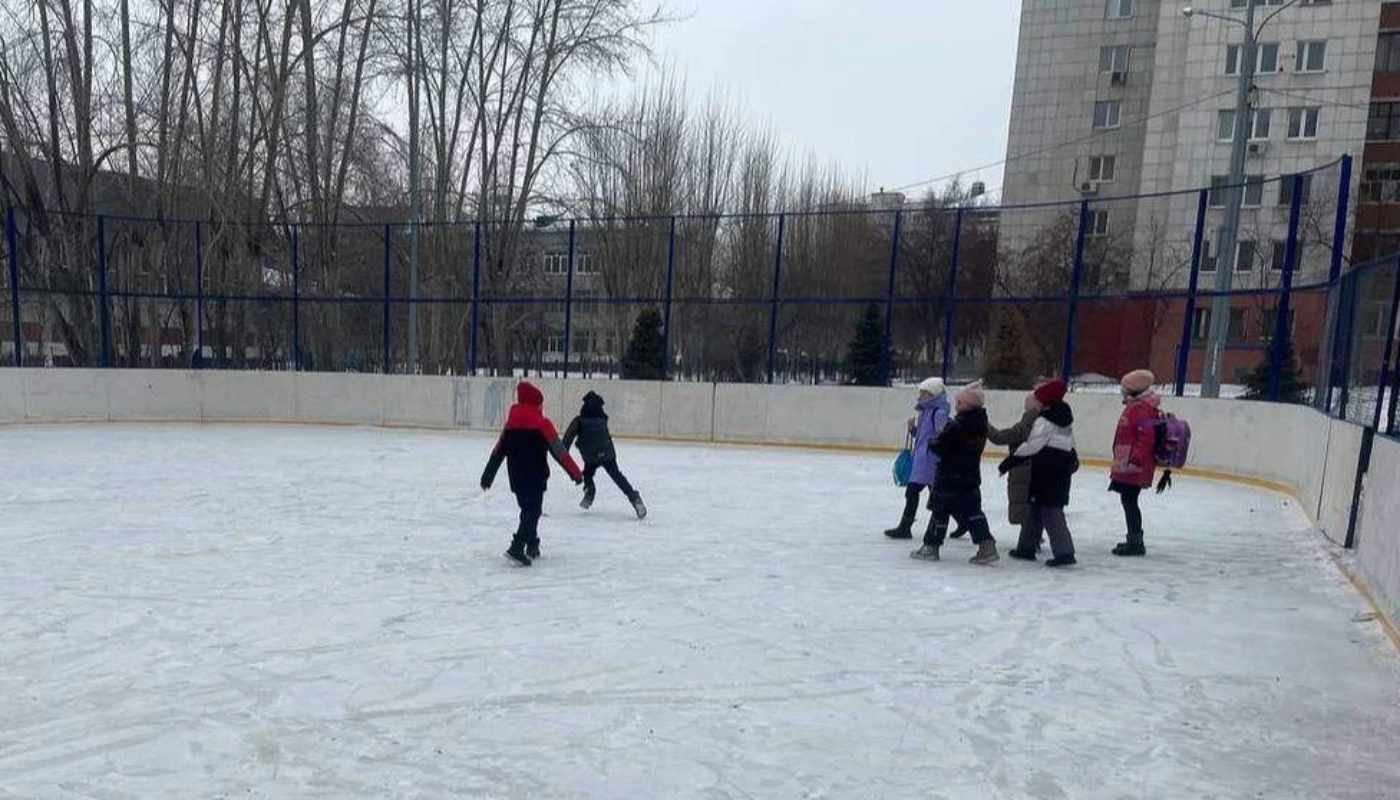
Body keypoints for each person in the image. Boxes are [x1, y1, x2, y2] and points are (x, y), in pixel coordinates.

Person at [480, 381, 584, 566]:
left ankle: (532, 544)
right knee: (532, 511)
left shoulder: (510, 426)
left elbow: (498, 452)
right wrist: (575, 473)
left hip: (516, 477)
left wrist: (488, 475)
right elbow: (559, 452)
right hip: (536, 476)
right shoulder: (542, 424)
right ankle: (517, 546)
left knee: (528, 510)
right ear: (536, 404)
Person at [911, 382, 1000, 565]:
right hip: (970, 474)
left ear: (967, 405)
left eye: (959, 403)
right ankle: (987, 544)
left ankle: (930, 546)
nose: (956, 406)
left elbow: (941, 446)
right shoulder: (981, 424)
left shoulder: (957, 425)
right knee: (972, 511)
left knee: (940, 511)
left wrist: (932, 443)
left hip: (950, 475)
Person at [1001, 379, 1079, 567]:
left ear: (1044, 401)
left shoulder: (1045, 420)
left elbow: (1033, 445)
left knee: (1052, 513)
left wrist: (1011, 459)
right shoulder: (1062, 418)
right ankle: (1026, 548)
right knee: (1035, 511)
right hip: (1057, 470)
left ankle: (1065, 553)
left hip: (1046, 471)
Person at [563, 391, 647, 520]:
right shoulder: (603, 420)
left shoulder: (579, 421)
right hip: (607, 453)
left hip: (590, 455)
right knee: (617, 476)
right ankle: (635, 499)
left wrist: (564, 454)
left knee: (587, 474)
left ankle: (590, 492)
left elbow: (568, 438)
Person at [884, 378, 950, 540]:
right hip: (922, 461)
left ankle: (905, 527)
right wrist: (913, 430)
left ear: (932, 395)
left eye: (923, 393)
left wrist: (933, 451)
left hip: (931, 462)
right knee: (928, 494)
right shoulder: (925, 412)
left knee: (920, 492)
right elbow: (923, 436)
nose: (919, 397)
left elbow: (944, 437)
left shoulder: (938, 413)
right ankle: (905, 527)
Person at [1109, 369, 1161, 557]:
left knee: (1130, 500)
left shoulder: (1142, 408)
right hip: (1128, 462)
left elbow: (1146, 438)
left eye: (1124, 388)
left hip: (1133, 465)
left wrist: (1133, 461)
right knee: (1128, 500)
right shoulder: (1137, 406)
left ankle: (1136, 543)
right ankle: (1134, 539)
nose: (1121, 391)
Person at [987, 385, 1044, 540]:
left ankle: (1029, 541)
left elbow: (1000, 437)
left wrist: (984, 424)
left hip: (1023, 474)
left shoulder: (1026, 425)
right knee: (1033, 507)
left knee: (1024, 508)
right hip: (1038, 472)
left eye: (1026, 406)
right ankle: (1034, 537)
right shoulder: (1046, 424)